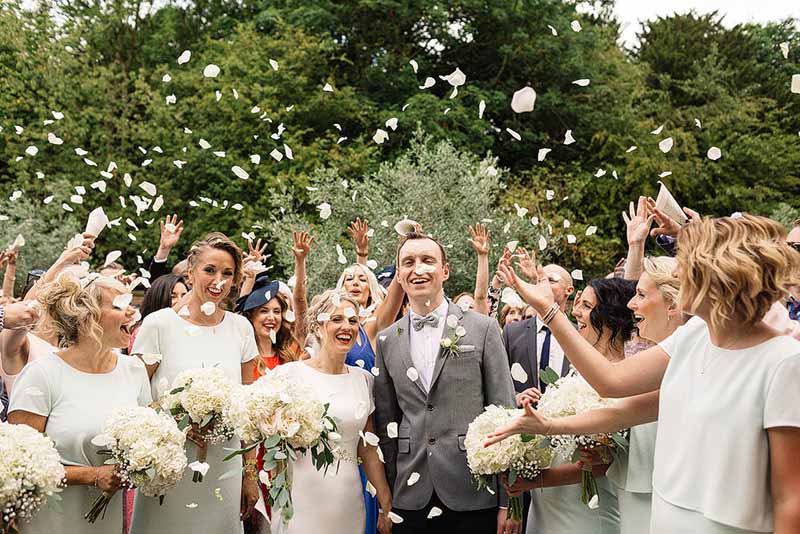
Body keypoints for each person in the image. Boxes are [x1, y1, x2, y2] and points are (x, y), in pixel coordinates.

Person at [489, 214, 800, 534]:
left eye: (684, 262)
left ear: (717, 274)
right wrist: (549, 425)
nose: (676, 271)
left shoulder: (784, 362)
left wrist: (549, 311)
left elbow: (791, 500)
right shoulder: (694, 335)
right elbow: (613, 385)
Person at [373, 231, 518, 534]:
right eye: (408, 262)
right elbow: (387, 423)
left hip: (473, 490)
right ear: (399, 275)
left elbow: (504, 413)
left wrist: (509, 501)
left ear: (445, 271)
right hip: (409, 495)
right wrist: (388, 501)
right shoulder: (387, 340)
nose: (418, 269)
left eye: (428, 260)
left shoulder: (483, 329)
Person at [130, 232, 260, 534]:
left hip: (224, 462)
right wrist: (180, 424)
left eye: (228, 273)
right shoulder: (159, 324)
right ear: (190, 271)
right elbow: (136, 399)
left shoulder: (240, 329)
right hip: (168, 462)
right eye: (210, 270)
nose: (219, 280)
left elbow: (249, 410)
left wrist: (249, 474)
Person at [7, 274, 150, 534]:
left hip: (108, 522)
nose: (132, 311)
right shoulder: (42, 374)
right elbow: (17, 463)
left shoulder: (134, 371)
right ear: (87, 316)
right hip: (50, 520)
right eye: (120, 305)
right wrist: (93, 476)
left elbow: (148, 440)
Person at [270, 290, 393, 534]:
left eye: (352, 320)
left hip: (347, 500)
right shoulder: (288, 376)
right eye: (336, 319)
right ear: (318, 326)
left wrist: (386, 504)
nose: (346, 326)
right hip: (299, 498)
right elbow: (272, 444)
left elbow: (367, 449)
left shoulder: (364, 380)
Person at [126, 273, 188, 352]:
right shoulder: (144, 330)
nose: (180, 301)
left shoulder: (190, 328)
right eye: (172, 296)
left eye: (184, 296)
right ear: (158, 299)